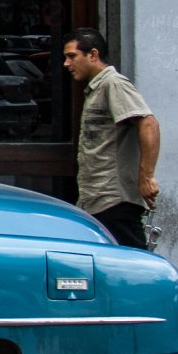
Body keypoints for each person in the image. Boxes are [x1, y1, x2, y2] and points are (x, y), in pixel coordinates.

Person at [62, 26, 159, 250]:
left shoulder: (113, 84)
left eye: (71, 56)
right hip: (97, 199)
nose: (67, 64)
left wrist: (147, 177)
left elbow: (148, 123)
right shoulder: (96, 88)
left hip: (114, 200)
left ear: (93, 55)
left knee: (134, 268)